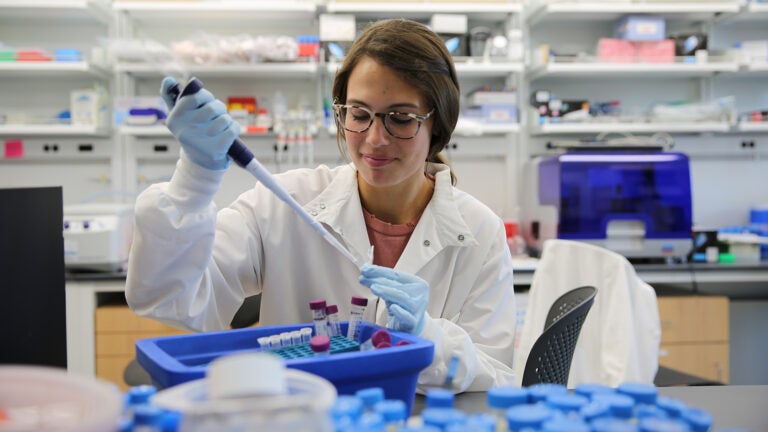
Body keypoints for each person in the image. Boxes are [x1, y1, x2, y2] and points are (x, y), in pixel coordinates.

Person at [126, 18, 516, 392]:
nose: (374, 138)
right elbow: (170, 298)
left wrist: (426, 339)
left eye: (400, 119)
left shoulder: (479, 231)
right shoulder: (284, 203)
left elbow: (497, 375)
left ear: (439, 125)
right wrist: (195, 179)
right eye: (359, 114)